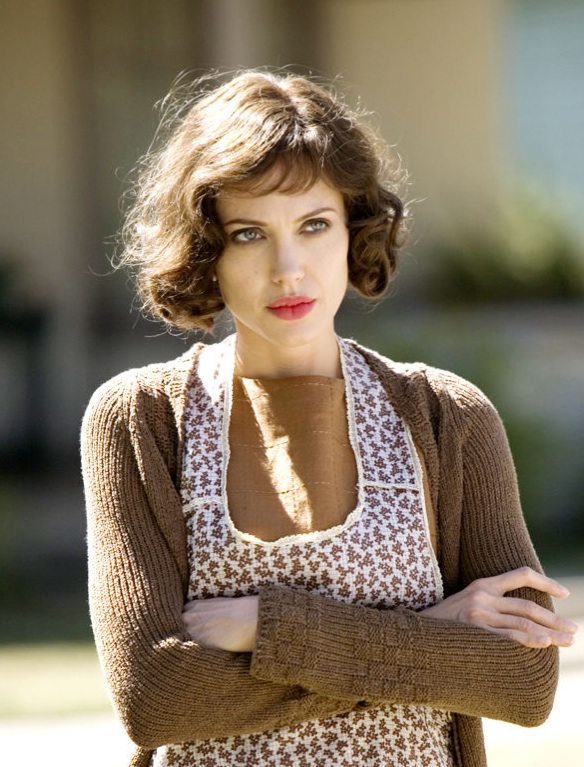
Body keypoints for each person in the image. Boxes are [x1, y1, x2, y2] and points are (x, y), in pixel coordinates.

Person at [81, 70, 577, 767]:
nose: (288, 268)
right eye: (248, 234)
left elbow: (522, 680)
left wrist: (270, 628)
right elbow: (156, 698)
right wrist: (431, 635)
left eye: (314, 225)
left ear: (352, 231)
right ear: (206, 251)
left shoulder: (447, 417)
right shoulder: (142, 419)